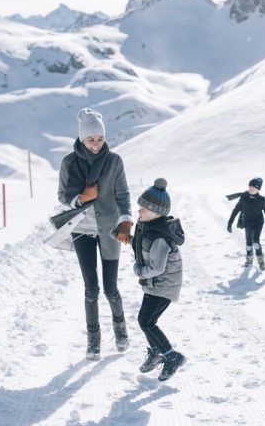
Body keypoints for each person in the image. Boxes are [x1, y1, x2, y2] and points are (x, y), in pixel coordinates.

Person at [55, 108, 133, 360]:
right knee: (91, 289)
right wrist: (80, 198)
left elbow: (123, 195)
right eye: (91, 139)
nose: (96, 144)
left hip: (110, 230)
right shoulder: (69, 162)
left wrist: (125, 220)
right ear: (81, 138)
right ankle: (93, 340)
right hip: (82, 230)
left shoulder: (114, 161)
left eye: (100, 139)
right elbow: (62, 195)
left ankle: (120, 330)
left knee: (111, 289)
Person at [128, 178, 187, 381]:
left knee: (146, 322)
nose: (139, 210)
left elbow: (156, 267)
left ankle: (171, 356)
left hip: (163, 286)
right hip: (154, 286)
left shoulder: (160, 237)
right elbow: (143, 246)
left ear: (156, 212)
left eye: (143, 208)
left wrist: (138, 271)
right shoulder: (149, 227)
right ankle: (156, 351)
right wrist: (126, 237)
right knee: (145, 321)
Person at [226, 178, 265, 270]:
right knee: (248, 244)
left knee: (256, 243)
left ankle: (261, 261)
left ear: (258, 189)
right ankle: (249, 260)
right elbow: (236, 210)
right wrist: (230, 223)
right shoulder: (244, 198)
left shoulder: (261, 200)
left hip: (258, 223)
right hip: (247, 223)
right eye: (250, 186)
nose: (251, 188)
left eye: (254, 187)